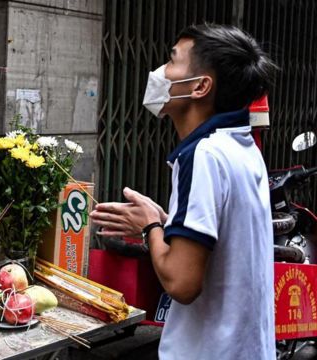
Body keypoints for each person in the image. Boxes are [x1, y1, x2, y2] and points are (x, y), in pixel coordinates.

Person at [90, 24, 278, 359]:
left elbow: (182, 283)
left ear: (200, 86)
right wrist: (166, 221)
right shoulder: (240, 145)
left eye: (172, 61)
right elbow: (222, 241)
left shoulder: (203, 156)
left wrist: (150, 227)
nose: (160, 72)